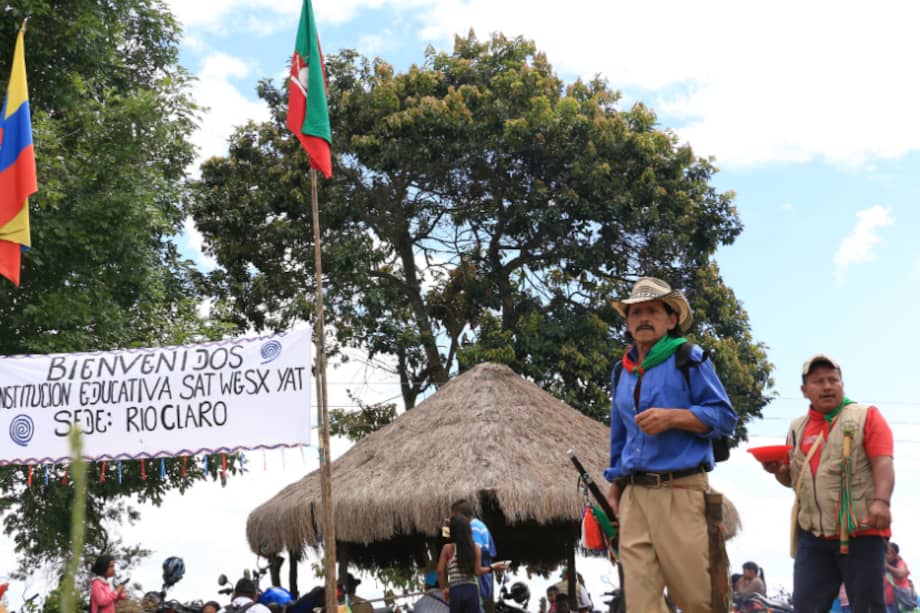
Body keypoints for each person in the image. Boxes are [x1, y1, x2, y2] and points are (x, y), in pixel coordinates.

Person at [603, 277, 737, 612]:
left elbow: (724, 417)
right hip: (635, 497)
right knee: (640, 605)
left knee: (698, 600)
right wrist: (616, 485)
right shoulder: (623, 370)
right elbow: (620, 435)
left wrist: (674, 417)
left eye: (652, 311)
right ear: (628, 321)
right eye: (636, 313)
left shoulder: (689, 358)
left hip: (680, 491)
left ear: (671, 319)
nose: (643, 318)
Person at [763, 354, 894, 612]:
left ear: (842, 384)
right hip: (813, 537)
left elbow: (884, 461)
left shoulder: (866, 415)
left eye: (833, 380)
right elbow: (795, 480)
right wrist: (778, 471)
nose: (827, 386)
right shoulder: (796, 428)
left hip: (861, 532)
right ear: (804, 391)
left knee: (867, 607)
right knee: (806, 607)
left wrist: (882, 502)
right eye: (818, 381)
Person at [437, 515, 506, 613]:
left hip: (455, 590)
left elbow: (440, 571)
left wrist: (444, 589)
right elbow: (477, 572)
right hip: (471, 590)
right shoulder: (475, 548)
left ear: (452, 531)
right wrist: (492, 568)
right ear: (468, 530)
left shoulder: (447, 548)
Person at [450, 500, 497, 613]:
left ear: (460, 515)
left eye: (454, 516)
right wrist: (447, 528)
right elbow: (448, 539)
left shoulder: (474, 527)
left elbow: (473, 552)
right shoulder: (474, 526)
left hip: (476, 582)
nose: (453, 520)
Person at [884, 541, 911, 613]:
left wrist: (886, 566)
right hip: (886, 605)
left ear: (895, 554)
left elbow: (900, 574)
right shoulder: (881, 566)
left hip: (901, 604)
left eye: (887, 553)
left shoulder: (900, 563)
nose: (884, 554)